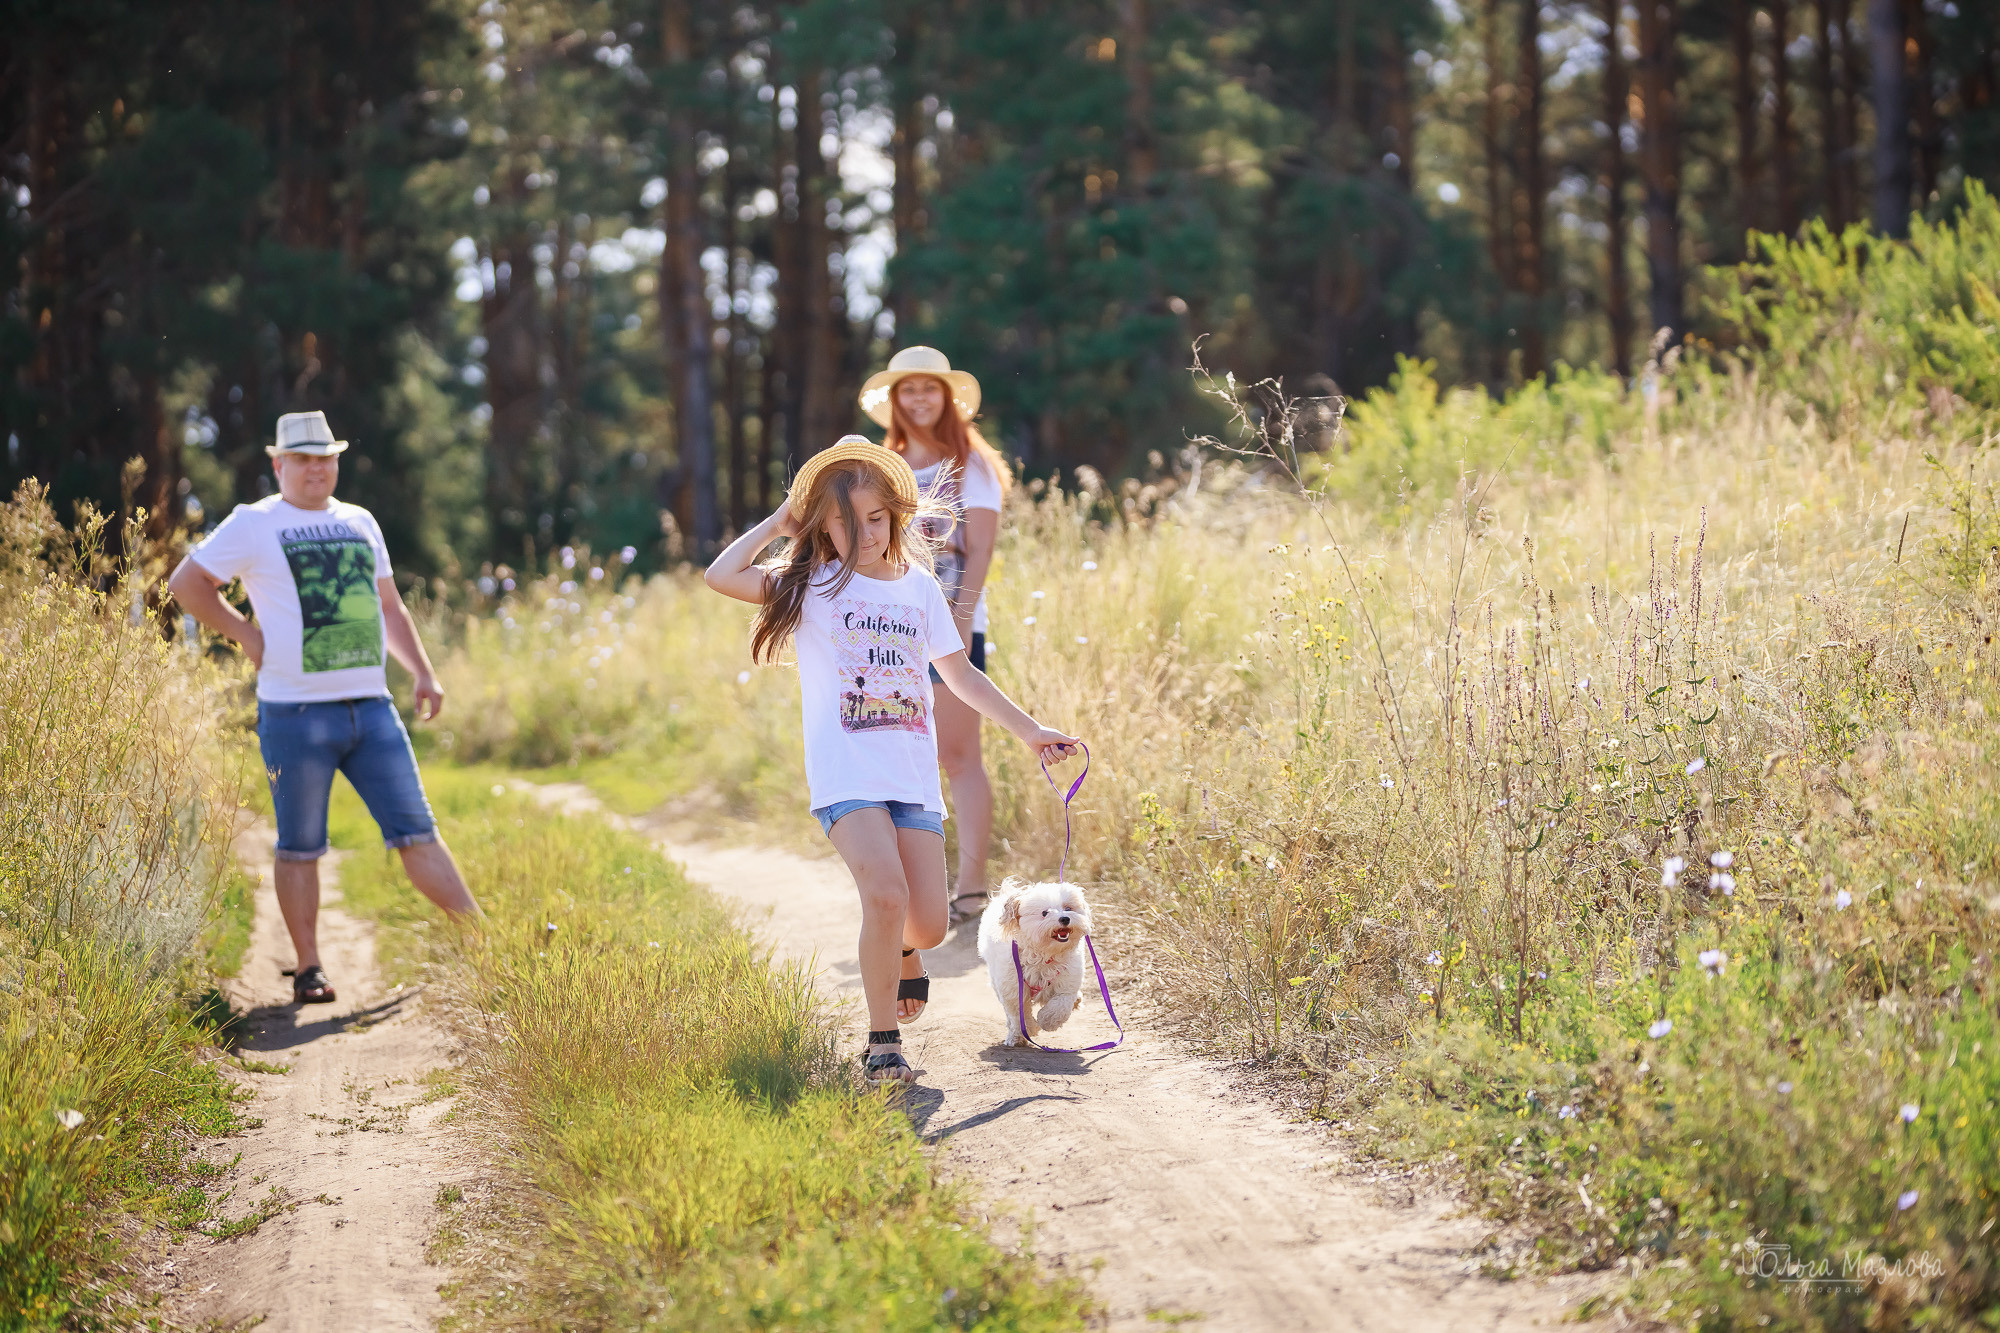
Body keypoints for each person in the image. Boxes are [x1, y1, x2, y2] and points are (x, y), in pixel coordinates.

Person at [704, 435, 1078, 1085]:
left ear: (896, 515)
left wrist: (1030, 729)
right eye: (845, 522)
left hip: (911, 777)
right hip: (847, 776)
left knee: (927, 924)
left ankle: (905, 949)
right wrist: (779, 521)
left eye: (875, 518)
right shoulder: (811, 586)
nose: (865, 533)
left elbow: (960, 676)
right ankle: (883, 1041)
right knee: (883, 892)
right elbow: (720, 576)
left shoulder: (919, 590)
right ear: (821, 525)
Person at [167, 411, 480, 1006]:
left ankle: (482, 942)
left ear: (336, 462)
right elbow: (188, 582)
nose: (317, 468)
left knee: (418, 831)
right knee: (300, 844)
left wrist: (423, 672)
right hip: (296, 715)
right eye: (304, 459)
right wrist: (247, 636)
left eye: (326, 458)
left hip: (372, 709)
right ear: (279, 464)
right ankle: (309, 968)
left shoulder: (359, 520)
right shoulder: (254, 523)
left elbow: (388, 607)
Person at [859, 346, 1009, 925]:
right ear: (894, 400)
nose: (919, 399)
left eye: (929, 388)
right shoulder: (882, 463)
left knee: (957, 755)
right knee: (896, 756)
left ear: (946, 397)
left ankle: (971, 887)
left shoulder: (969, 464)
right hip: (884, 633)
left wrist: (964, 623)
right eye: (908, 389)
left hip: (949, 626)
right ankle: (909, 890)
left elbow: (982, 550)